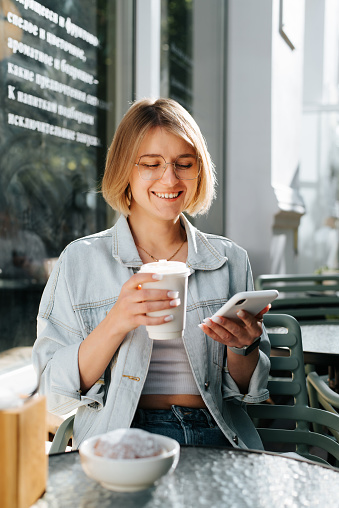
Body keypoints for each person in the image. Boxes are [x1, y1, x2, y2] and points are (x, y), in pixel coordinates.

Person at [32, 98, 271, 450]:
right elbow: (51, 393)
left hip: (214, 434)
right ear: (124, 170)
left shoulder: (229, 259)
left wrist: (243, 347)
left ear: (199, 169)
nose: (170, 178)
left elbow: (249, 393)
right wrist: (117, 321)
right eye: (151, 164)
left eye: (183, 163)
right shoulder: (80, 261)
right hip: (120, 437)